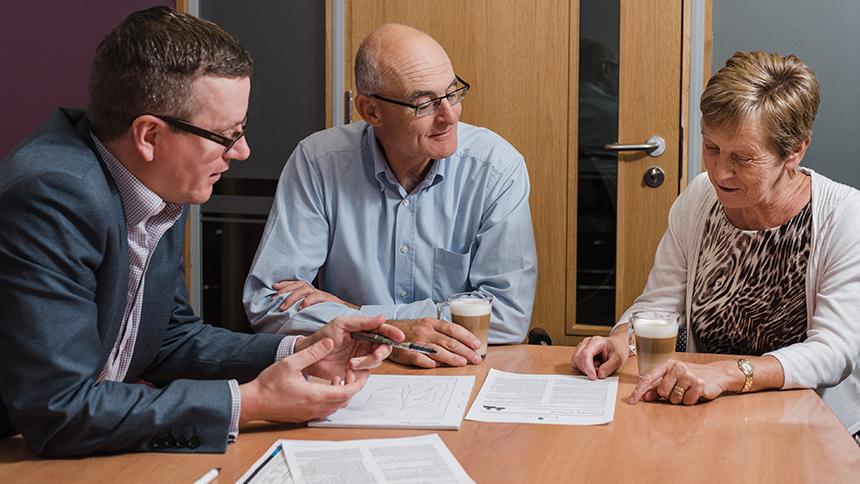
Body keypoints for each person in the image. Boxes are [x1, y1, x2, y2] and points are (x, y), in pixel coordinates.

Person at [0, 7, 403, 457]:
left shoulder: (159, 179)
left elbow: (169, 338)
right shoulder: (53, 195)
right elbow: (59, 410)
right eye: (227, 135)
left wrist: (303, 349)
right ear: (149, 135)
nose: (243, 151)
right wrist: (249, 403)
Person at [570, 51, 860, 444]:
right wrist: (622, 339)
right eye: (711, 148)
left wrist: (727, 373)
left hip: (814, 428)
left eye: (743, 158)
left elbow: (833, 351)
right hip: (710, 419)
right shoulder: (700, 199)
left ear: (795, 151)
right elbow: (659, 304)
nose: (720, 172)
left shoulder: (844, 216)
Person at [243, 24, 538, 368]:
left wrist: (360, 317)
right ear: (371, 111)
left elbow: (507, 315)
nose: (449, 116)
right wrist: (401, 329)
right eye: (425, 103)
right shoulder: (319, 162)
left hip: (458, 370)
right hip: (350, 370)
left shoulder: (496, 168)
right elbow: (268, 302)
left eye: (452, 92)